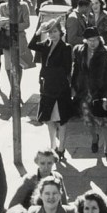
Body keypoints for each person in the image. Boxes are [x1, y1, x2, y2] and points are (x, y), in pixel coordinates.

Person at [70, 24, 107, 159]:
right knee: (88, 120)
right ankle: (94, 138)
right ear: (85, 41)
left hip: (100, 92)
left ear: (100, 39)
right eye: (89, 40)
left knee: (105, 121)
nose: (92, 43)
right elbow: (75, 70)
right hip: (84, 91)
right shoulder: (79, 50)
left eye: (95, 40)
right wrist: (73, 87)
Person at [34, 20, 73, 159]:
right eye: (50, 32)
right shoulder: (46, 44)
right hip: (46, 87)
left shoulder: (66, 47)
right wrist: (39, 30)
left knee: (61, 119)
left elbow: (67, 68)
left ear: (61, 32)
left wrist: (52, 74)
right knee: (48, 118)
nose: (52, 34)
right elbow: (31, 45)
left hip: (60, 87)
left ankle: (61, 147)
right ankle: (53, 146)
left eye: (55, 31)